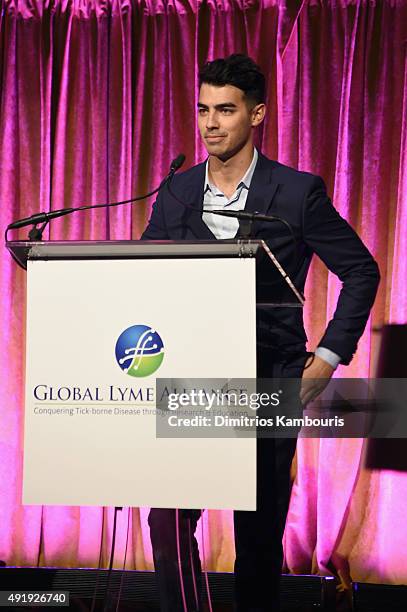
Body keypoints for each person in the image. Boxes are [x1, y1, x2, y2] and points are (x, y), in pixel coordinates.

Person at [141, 54, 379, 612]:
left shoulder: (297, 193)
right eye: (203, 110)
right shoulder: (175, 192)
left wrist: (325, 359)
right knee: (168, 517)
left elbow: (361, 270)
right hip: (193, 380)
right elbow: (145, 267)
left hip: (269, 373)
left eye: (225, 110)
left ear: (258, 114)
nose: (210, 124)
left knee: (257, 527)